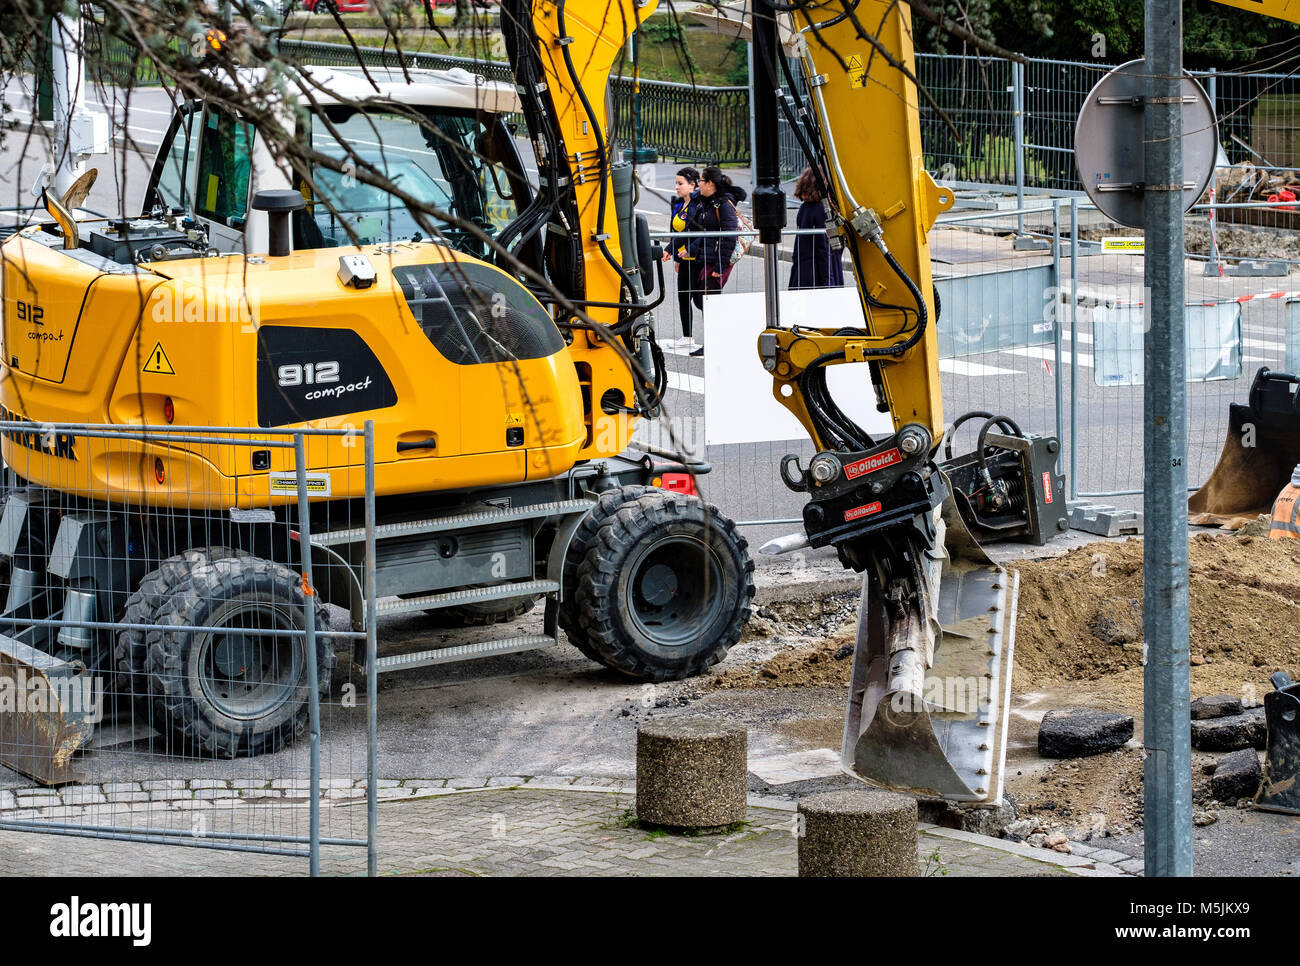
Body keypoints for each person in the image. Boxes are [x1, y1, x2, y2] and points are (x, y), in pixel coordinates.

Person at [685, 166, 749, 357]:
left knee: (709, 301)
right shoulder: (708, 202)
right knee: (701, 299)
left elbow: (729, 236)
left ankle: (715, 342)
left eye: (702, 181)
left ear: (710, 183)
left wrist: (720, 267)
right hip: (708, 258)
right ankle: (718, 339)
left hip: (718, 261)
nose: (699, 185)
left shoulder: (724, 204)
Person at [662, 166, 702, 351]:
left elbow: (691, 232)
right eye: (676, 183)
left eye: (681, 183)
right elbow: (676, 231)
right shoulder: (680, 204)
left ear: (692, 185)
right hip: (683, 257)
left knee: (699, 300)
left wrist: (671, 248)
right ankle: (687, 337)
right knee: (683, 297)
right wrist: (676, 255)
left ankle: (716, 333)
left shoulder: (697, 205)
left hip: (696, 258)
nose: (676, 187)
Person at [789, 166, 844, 290]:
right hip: (818, 273)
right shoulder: (821, 210)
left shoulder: (805, 207)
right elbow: (823, 248)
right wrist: (828, 281)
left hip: (804, 269)